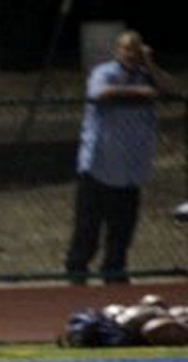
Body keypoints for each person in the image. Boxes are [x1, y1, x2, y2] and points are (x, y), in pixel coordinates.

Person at [65, 30, 181, 285]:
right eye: (127, 49)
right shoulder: (104, 73)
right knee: (88, 229)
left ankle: (114, 273)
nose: (131, 55)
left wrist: (150, 65)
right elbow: (99, 94)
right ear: (118, 51)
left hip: (131, 168)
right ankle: (77, 274)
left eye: (136, 50)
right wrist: (143, 93)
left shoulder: (146, 75)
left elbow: (172, 89)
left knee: (122, 231)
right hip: (100, 164)